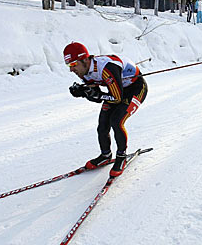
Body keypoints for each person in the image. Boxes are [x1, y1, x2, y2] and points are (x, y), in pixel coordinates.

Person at [63, 42, 148, 177]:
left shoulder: (107, 68)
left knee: (116, 121)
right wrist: (85, 93)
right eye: (68, 65)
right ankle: (105, 155)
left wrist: (95, 94)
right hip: (116, 91)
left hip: (135, 88)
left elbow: (117, 98)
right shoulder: (84, 72)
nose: (71, 69)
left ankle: (121, 157)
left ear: (84, 59)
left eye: (73, 64)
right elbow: (97, 97)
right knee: (103, 124)